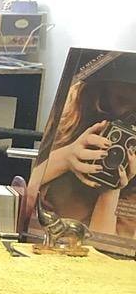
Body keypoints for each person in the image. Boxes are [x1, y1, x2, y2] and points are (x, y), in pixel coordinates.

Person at [26, 50, 136, 237]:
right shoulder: (72, 119)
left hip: (90, 247)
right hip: (42, 240)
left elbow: (104, 247)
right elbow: (24, 203)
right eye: (122, 100)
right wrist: (67, 157)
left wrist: (111, 187)